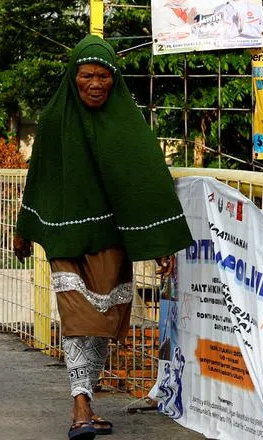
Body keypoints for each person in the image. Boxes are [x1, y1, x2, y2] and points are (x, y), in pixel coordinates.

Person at [12, 35, 192, 439]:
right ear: (73, 78)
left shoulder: (126, 124)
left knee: (101, 321)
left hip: (110, 238)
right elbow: (39, 175)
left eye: (104, 76)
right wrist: (25, 229)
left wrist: (160, 239)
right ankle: (80, 405)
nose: (95, 84)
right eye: (87, 76)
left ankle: (87, 402)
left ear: (115, 79)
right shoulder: (57, 118)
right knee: (78, 317)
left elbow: (145, 181)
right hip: (66, 238)